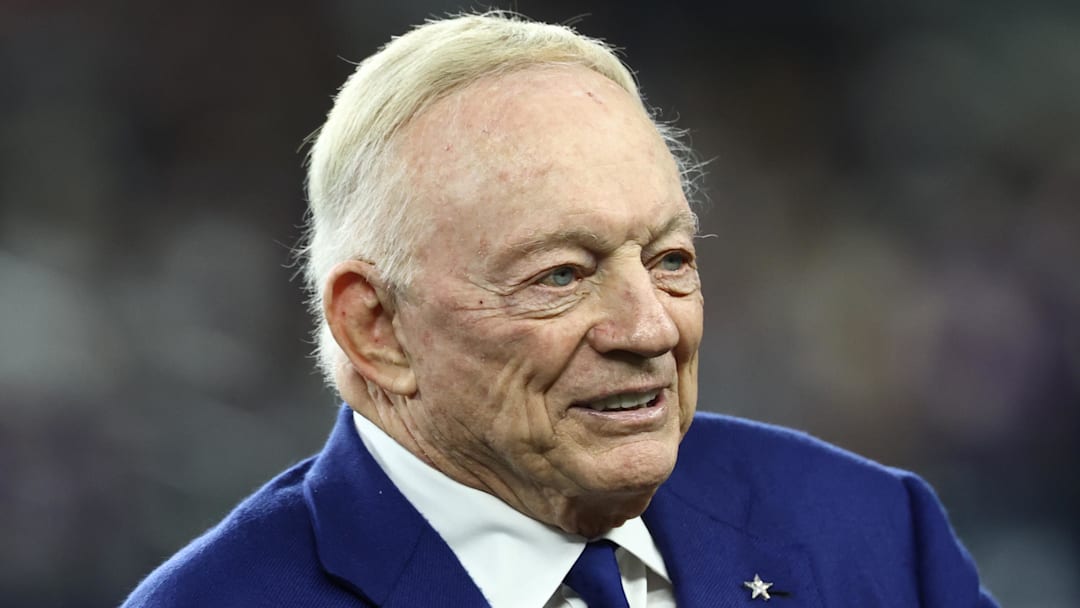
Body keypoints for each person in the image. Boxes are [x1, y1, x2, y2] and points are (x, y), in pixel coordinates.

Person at [123, 12, 998, 607]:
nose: (651, 328)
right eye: (561, 276)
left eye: (670, 260)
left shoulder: (872, 530)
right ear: (375, 329)